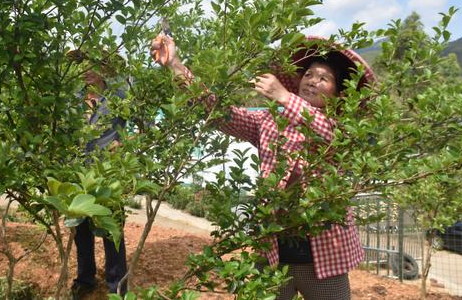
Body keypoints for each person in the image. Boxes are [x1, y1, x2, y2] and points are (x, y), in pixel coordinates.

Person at [151, 34, 376, 300]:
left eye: (324, 79)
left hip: (325, 259)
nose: (313, 81)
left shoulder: (341, 129)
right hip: (273, 252)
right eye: (309, 75)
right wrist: (176, 65)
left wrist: (283, 96)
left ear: (338, 95)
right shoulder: (269, 121)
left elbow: (330, 136)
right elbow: (220, 112)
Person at [68, 50, 128, 299]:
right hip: (79, 173)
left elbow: (130, 128)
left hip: (107, 175)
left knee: (111, 228)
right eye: (83, 65)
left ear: (105, 67)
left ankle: (117, 284)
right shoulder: (74, 100)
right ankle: (85, 278)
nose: (88, 70)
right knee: (81, 229)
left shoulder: (119, 98)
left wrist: (121, 145)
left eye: (94, 64)